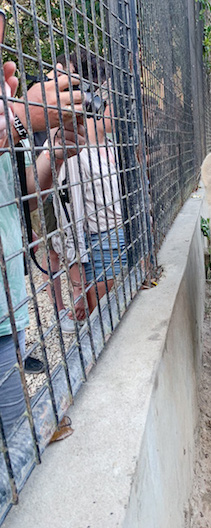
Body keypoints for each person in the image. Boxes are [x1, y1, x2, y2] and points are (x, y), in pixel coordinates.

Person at [0, 60, 85, 439]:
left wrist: (54, 155)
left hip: (7, 315)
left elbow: (21, 198)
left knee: (18, 445)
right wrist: (18, 118)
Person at [52, 69, 126, 315]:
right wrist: (77, 285)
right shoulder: (75, 149)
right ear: (99, 106)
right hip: (101, 249)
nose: (124, 115)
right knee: (106, 326)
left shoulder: (113, 145)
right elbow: (69, 221)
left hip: (127, 240)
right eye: (119, 106)